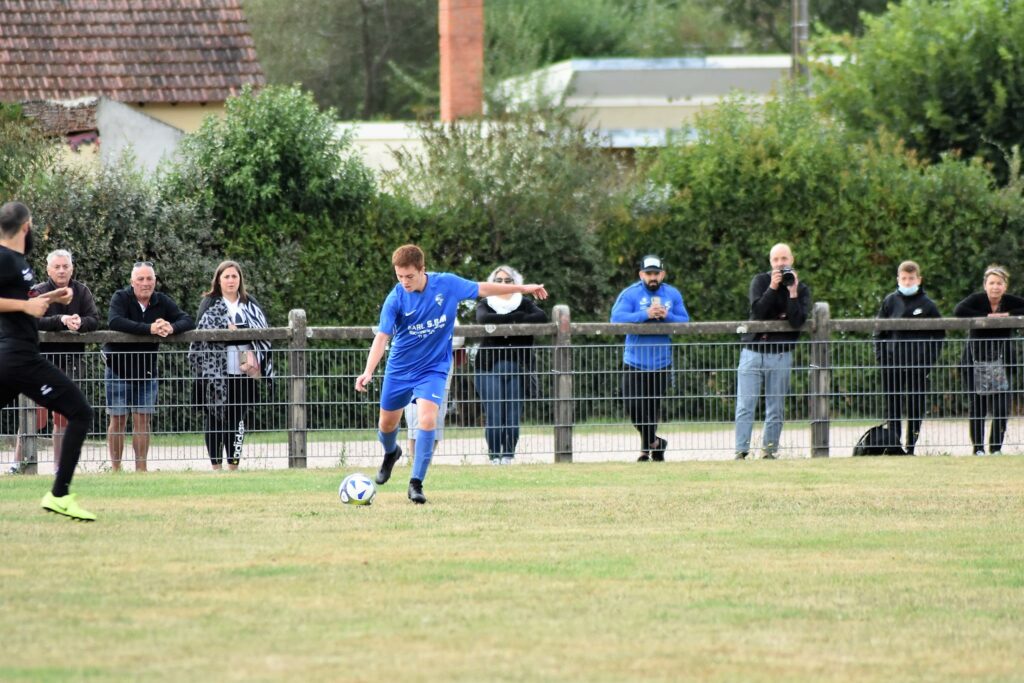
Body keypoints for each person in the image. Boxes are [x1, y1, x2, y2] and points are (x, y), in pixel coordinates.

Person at [355, 244, 548, 504]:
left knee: (427, 420)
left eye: (409, 276)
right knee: (386, 425)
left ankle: (416, 483)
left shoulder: (446, 284)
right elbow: (382, 337)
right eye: (399, 276)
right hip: (400, 369)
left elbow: (484, 288)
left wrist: (523, 289)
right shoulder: (396, 298)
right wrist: (368, 371)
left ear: (423, 270)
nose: (404, 282)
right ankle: (391, 452)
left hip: (433, 369)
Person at [0, 202, 96, 519]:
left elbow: (21, 302)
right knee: (80, 412)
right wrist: (28, 309)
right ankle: (59, 494)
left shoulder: (19, 262)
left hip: (15, 357)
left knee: (76, 413)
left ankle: (59, 493)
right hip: (19, 357)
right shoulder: (4, 257)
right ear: (26, 226)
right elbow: (20, 306)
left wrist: (54, 298)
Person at [11, 249, 99, 474]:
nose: (61, 270)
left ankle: (59, 466)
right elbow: (31, 319)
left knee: (63, 416)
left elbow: (94, 319)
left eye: (65, 266)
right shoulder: (38, 291)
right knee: (35, 415)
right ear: (48, 269)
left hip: (71, 362)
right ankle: (18, 463)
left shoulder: (82, 291)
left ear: (72, 269)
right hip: (42, 361)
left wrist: (80, 322)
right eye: (57, 267)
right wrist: (60, 320)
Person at [103, 261, 194, 472]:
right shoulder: (120, 297)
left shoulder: (161, 301)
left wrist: (171, 327)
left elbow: (187, 320)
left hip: (146, 370)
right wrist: (150, 329)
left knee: (142, 420)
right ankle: (116, 469)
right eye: (141, 279)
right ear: (132, 282)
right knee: (117, 419)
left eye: (149, 279)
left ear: (155, 281)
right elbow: (114, 321)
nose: (146, 283)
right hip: (118, 368)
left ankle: (141, 470)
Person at [189, 261, 273, 470]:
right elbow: (201, 335)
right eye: (226, 276)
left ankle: (233, 466)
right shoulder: (209, 303)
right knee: (214, 419)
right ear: (218, 280)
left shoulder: (249, 303)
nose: (230, 280)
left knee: (237, 419)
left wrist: (248, 351)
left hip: (243, 371)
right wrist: (225, 329)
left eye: (234, 276)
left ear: (240, 279)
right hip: (215, 372)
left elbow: (260, 332)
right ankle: (216, 467)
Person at [734, 243, 811, 460]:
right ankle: (740, 451)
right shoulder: (760, 281)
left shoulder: (802, 288)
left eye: (784, 259)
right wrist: (772, 288)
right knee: (745, 405)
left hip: (780, 354)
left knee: (775, 408)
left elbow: (797, 321)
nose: (780, 264)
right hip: (752, 352)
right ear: (770, 262)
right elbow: (757, 313)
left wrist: (792, 292)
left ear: (792, 260)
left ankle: (769, 452)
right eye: (776, 260)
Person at [610, 255, 689, 461]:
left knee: (652, 407)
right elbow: (616, 318)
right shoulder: (630, 293)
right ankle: (656, 443)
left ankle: (646, 451)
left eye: (656, 273)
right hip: (634, 361)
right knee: (633, 405)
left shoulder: (672, 294)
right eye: (648, 273)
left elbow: (685, 321)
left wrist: (667, 316)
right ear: (641, 274)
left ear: (662, 274)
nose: (652, 277)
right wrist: (644, 314)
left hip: (661, 362)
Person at [475, 265, 549, 464]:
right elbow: (483, 318)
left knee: (513, 415)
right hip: (489, 366)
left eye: (508, 281)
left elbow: (541, 317)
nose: (503, 284)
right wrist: (517, 321)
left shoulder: (524, 302)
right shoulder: (486, 302)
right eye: (498, 280)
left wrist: (509, 320)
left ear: (516, 283)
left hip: (517, 366)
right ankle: (494, 457)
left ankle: (508, 456)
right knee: (494, 414)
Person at [873, 261, 945, 455]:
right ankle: (894, 445)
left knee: (916, 406)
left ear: (919, 280)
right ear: (898, 279)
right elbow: (878, 332)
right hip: (892, 364)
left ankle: (911, 446)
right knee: (892, 406)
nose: (907, 282)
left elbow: (939, 335)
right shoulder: (889, 301)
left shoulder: (928, 305)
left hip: (918, 366)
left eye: (911, 278)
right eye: (904, 278)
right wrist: (882, 358)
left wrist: (928, 361)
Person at [953, 265, 1024, 455]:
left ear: (1005, 286)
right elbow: (959, 310)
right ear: (985, 285)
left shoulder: (1009, 301)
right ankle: (978, 448)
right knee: (978, 406)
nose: (995, 287)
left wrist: (1007, 316)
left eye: (999, 283)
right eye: (991, 283)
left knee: (1001, 407)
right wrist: (988, 317)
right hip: (975, 361)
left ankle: (996, 449)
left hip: (1002, 361)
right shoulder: (977, 299)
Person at [404, 320, 463, 468]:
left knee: (436, 419)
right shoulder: (411, 306)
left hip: (440, 374)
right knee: (413, 418)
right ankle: (414, 461)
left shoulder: (448, 308)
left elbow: (459, 339)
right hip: (413, 371)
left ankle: (426, 462)